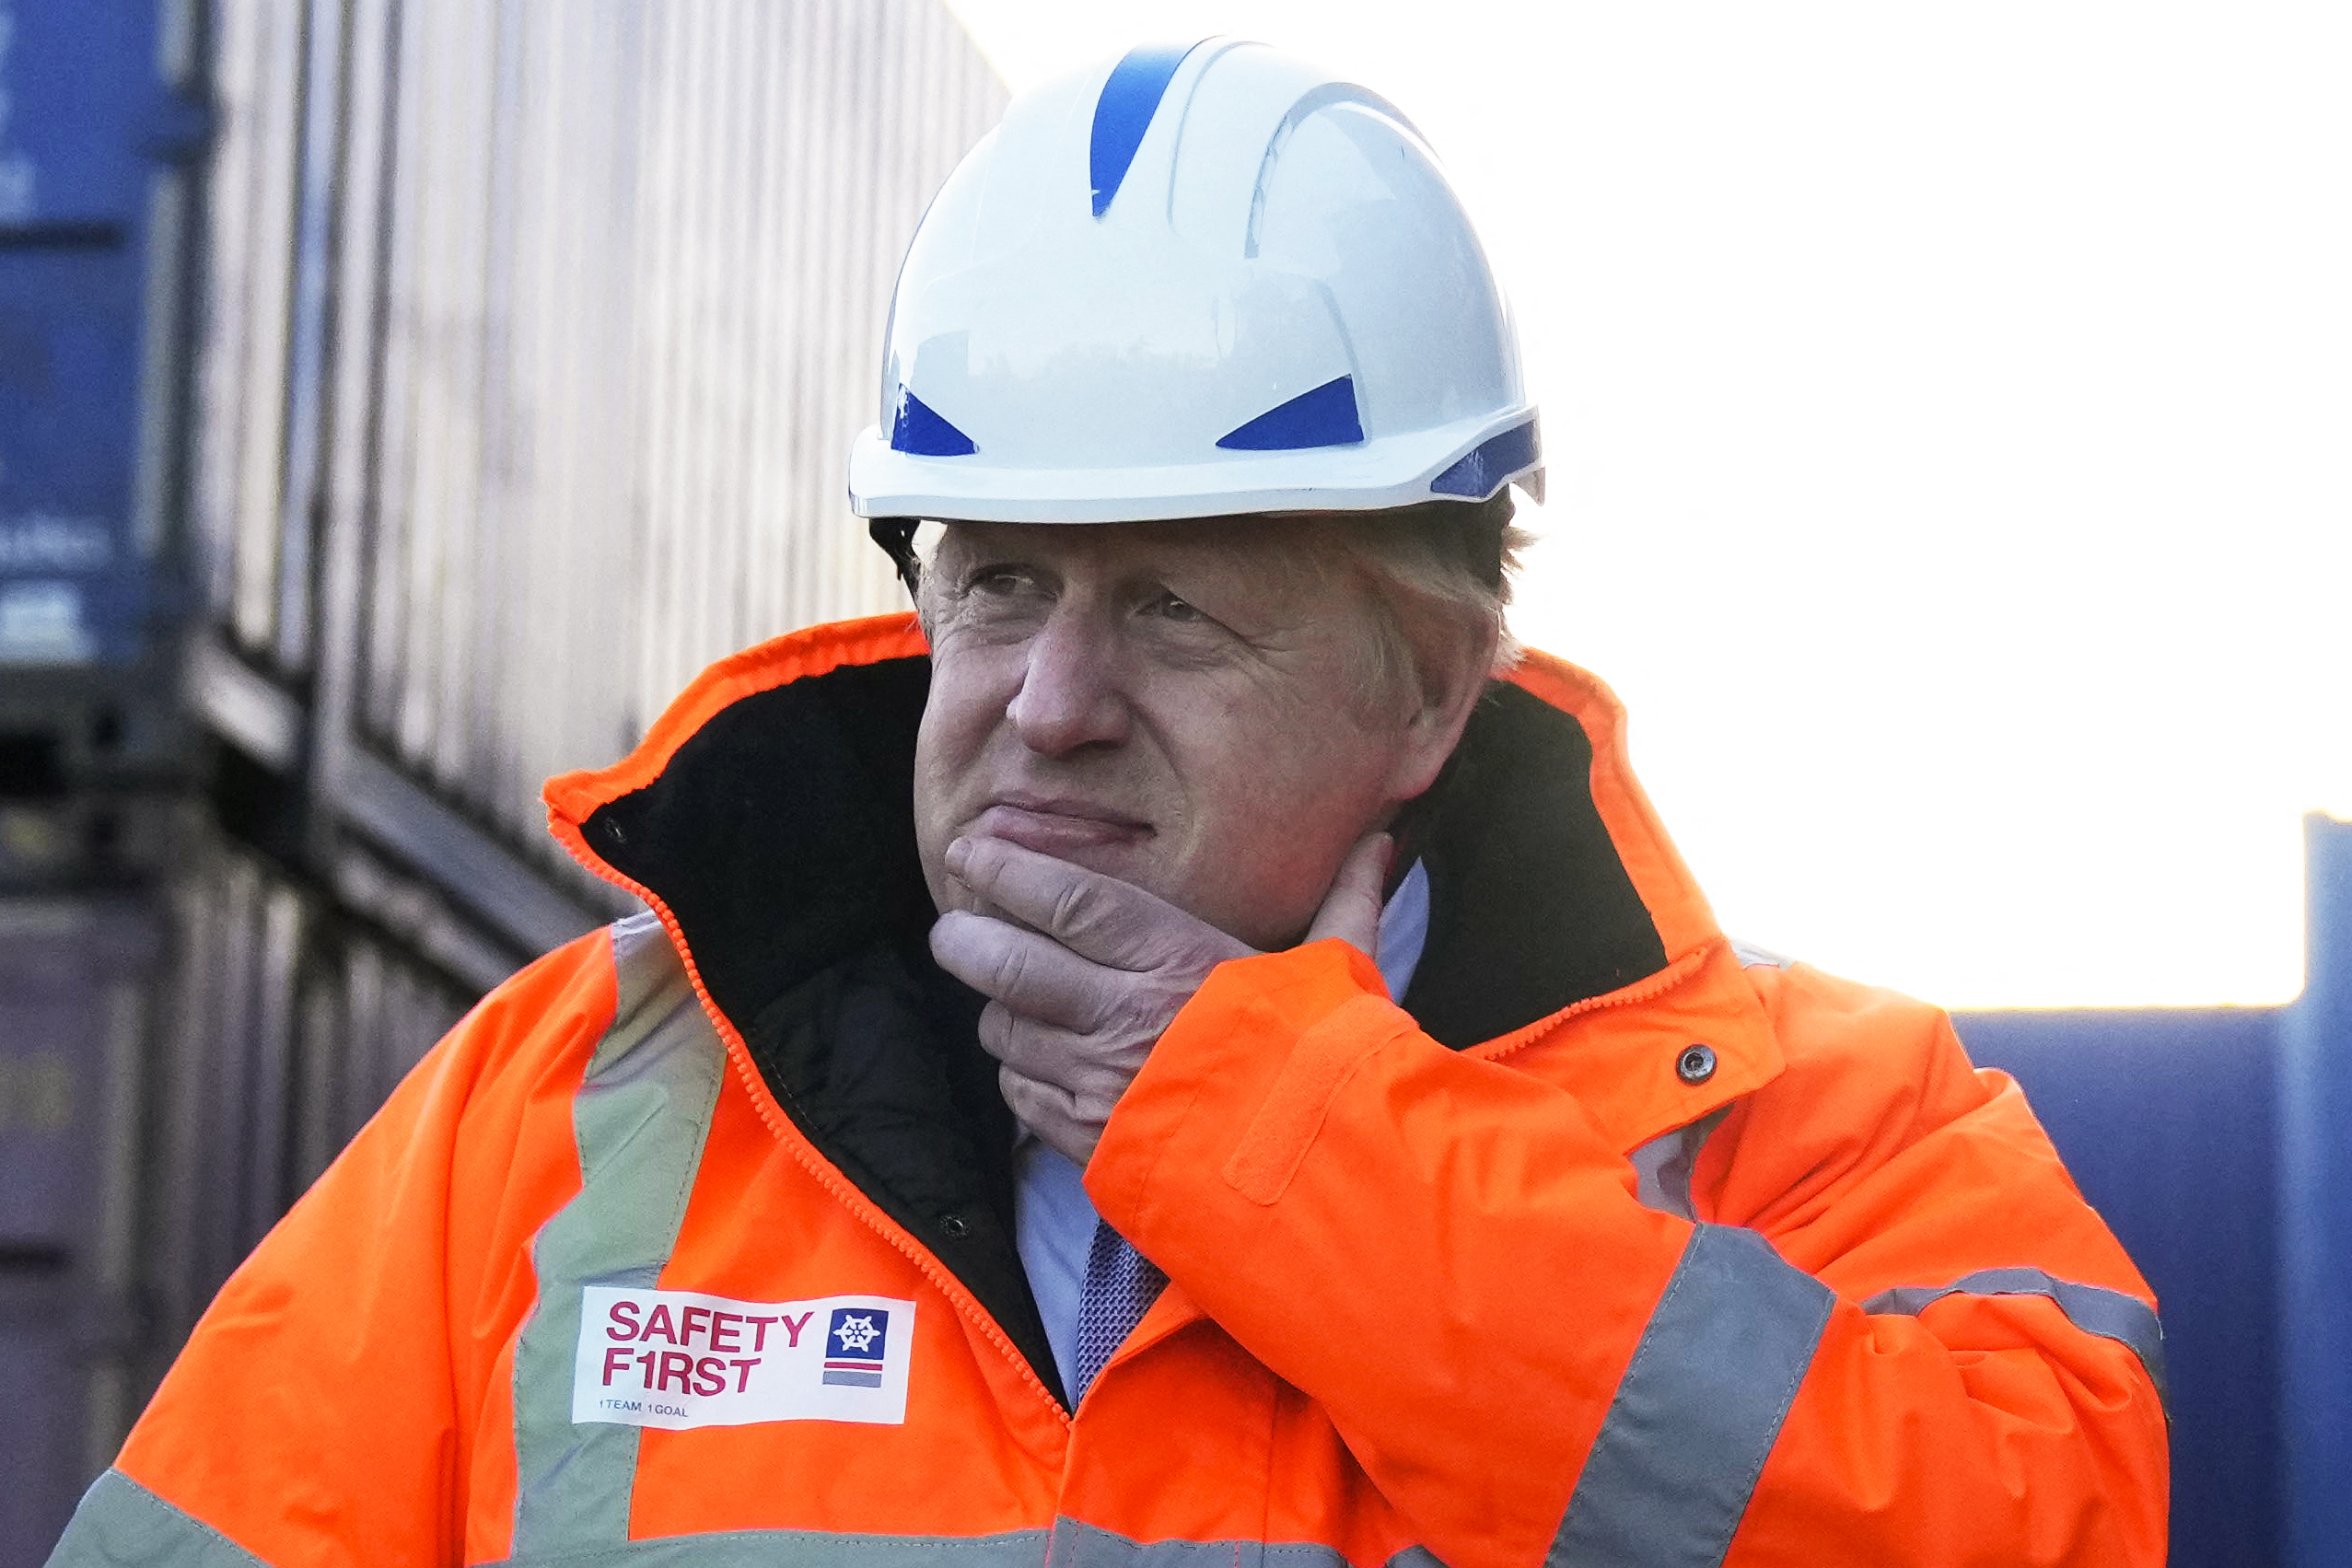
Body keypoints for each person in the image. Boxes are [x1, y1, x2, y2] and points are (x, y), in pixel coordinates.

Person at [52, 40, 2166, 1568]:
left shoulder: (1801, 1128)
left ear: (1425, 687)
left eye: (1172, 609)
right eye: (996, 587)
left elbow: (2019, 1532)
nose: (1047, 704)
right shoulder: (564, 1111)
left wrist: (1288, 1136)